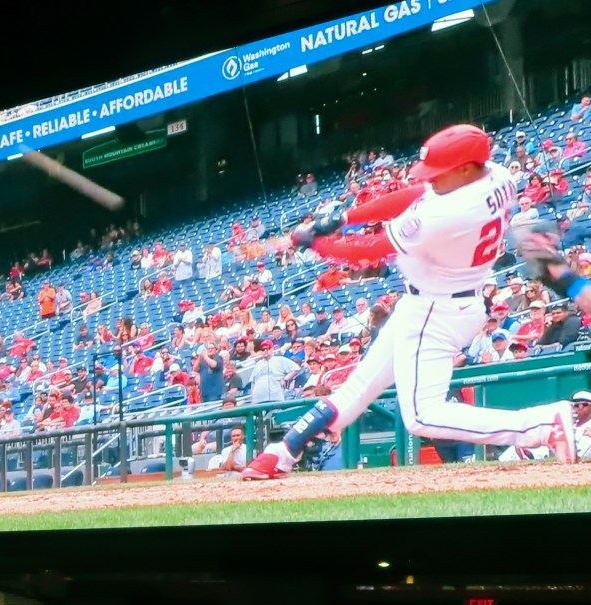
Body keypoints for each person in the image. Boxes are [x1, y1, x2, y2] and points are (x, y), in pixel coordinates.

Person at [243, 124, 578, 480]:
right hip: (446, 300)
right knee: (357, 389)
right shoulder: (495, 174)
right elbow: (418, 193)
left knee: (421, 416)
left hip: (436, 309)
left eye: (439, 172)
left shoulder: (447, 215)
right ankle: (284, 450)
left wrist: (315, 242)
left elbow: (370, 251)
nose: (431, 179)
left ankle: (541, 425)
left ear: (465, 168)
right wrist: (343, 217)